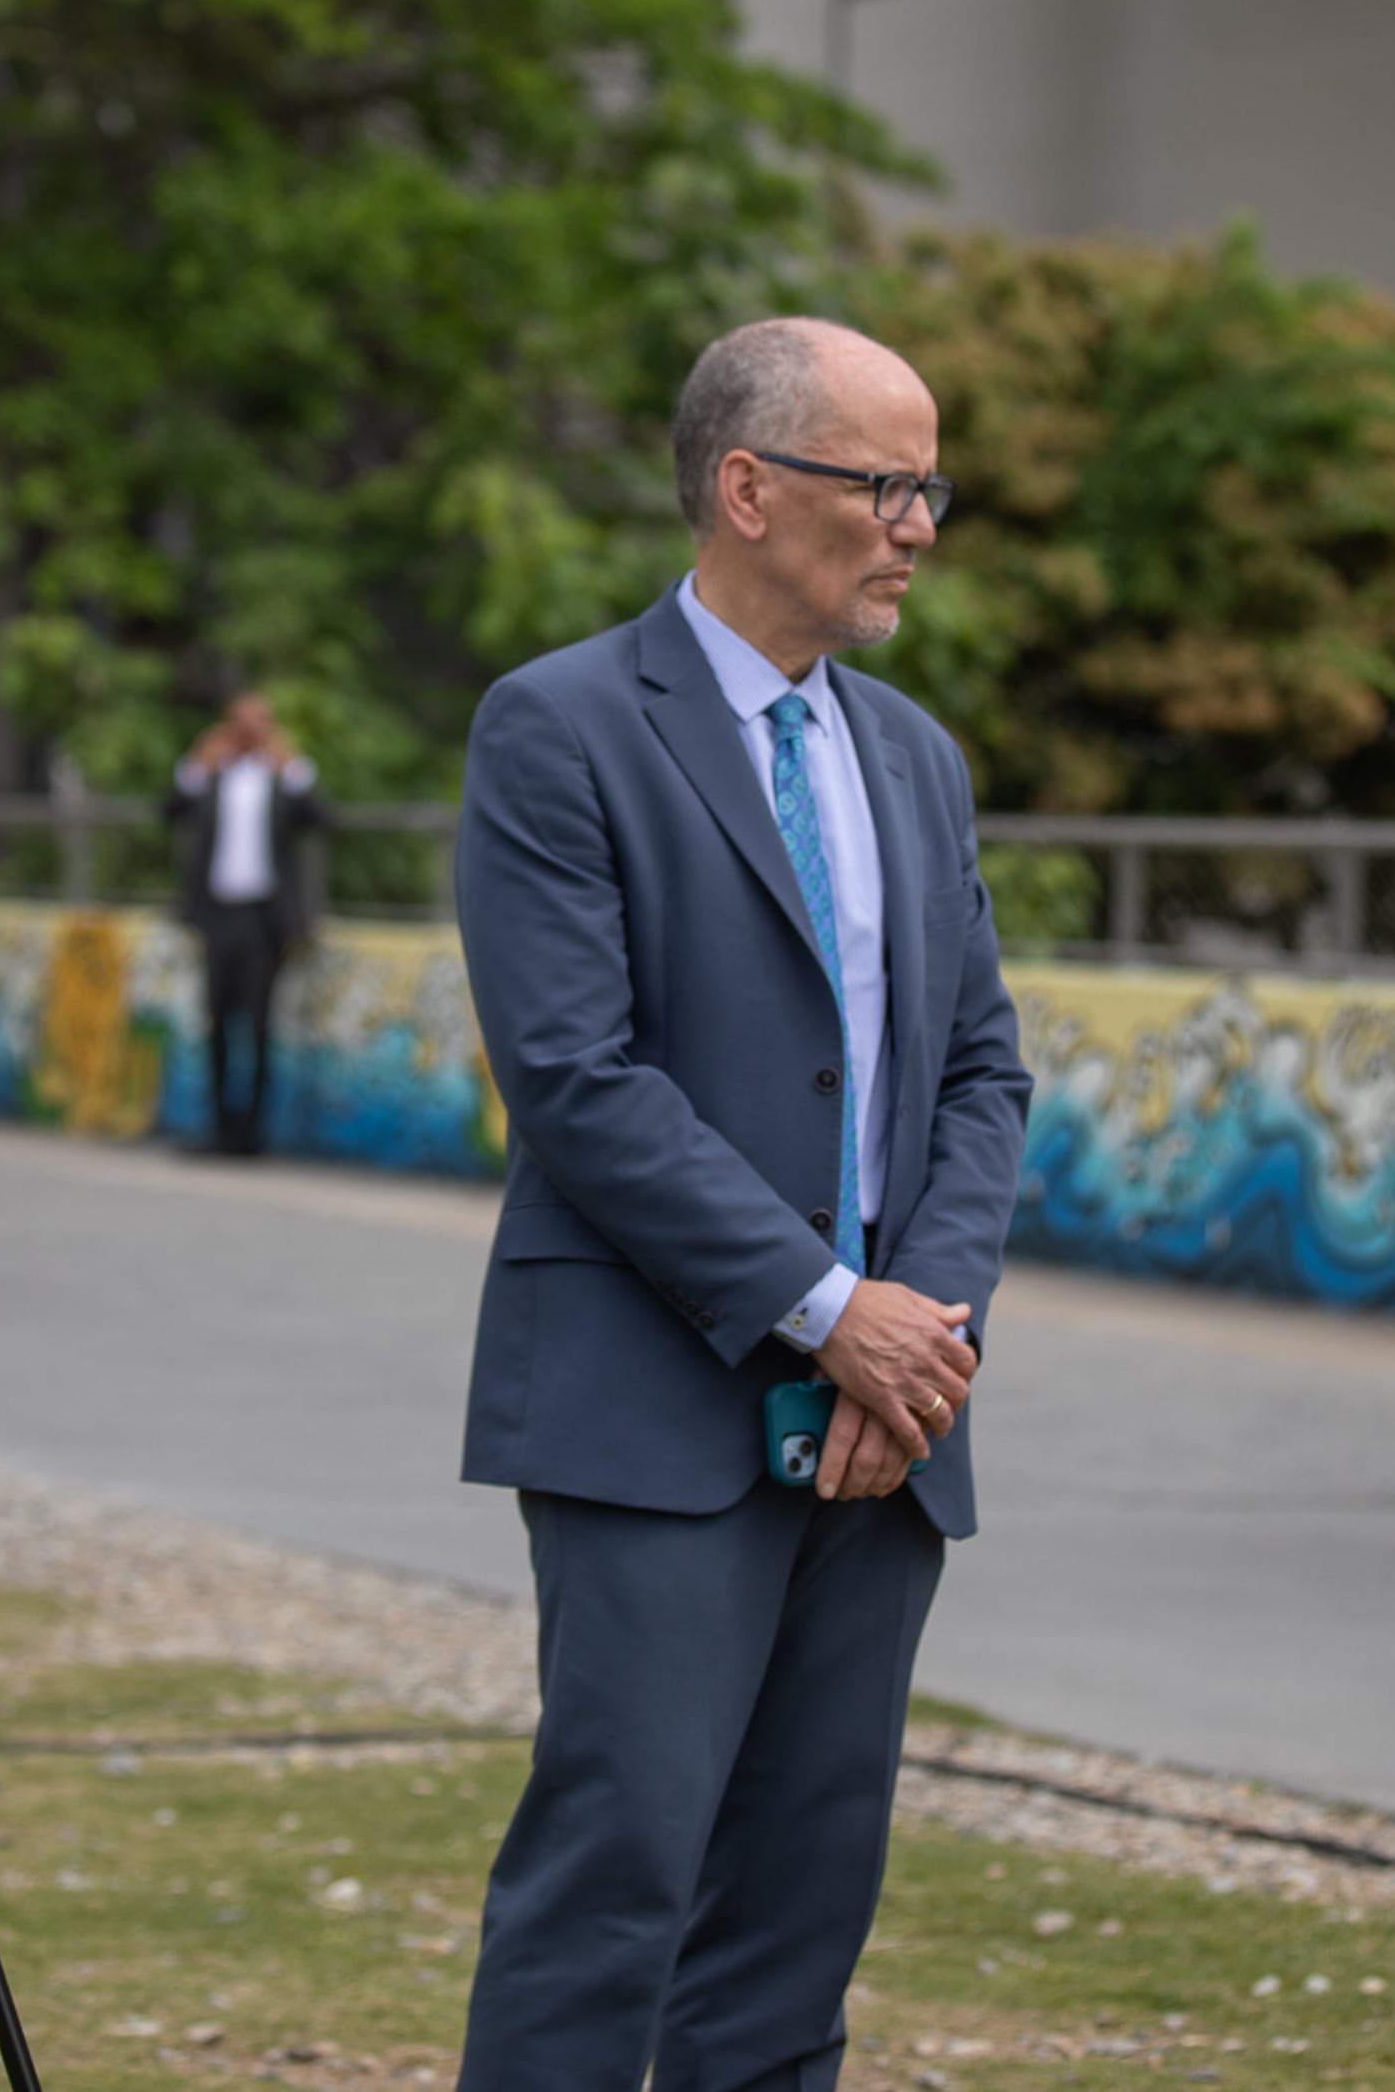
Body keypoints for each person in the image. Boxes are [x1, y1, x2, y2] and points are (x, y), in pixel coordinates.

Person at [448, 316, 1031, 2092]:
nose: (921, 521)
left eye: (933, 484)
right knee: (612, 1881)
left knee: (799, 1909)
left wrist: (910, 1329)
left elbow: (985, 1071)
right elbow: (577, 1075)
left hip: (888, 1416)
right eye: (886, 482)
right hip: (655, 1406)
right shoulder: (557, 725)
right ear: (747, 487)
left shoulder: (915, 754)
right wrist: (818, 1306)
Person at [170, 689, 325, 1154]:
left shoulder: (282, 778)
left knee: (259, 1027)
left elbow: (323, 817)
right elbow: (168, 809)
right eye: (240, 724)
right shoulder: (212, 777)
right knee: (216, 1023)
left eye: (257, 725)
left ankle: (253, 1133)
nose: (248, 734)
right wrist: (198, 759)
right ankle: (217, 1128)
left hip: (264, 920)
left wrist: (291, 762)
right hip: (217, 915)